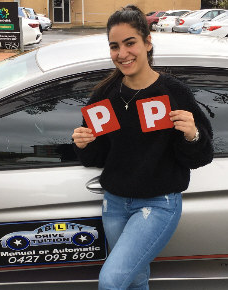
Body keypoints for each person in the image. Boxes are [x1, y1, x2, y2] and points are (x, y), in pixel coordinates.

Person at [72, 5, 213, 290]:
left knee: (112, 281)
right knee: (134, 279)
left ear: (148, 43)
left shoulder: (174, 93)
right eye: (114, 46)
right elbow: (98, 156)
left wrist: (192, 136)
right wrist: (83, 144)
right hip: (115, 203)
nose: (122, 53)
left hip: (158, 204)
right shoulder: (105, 95)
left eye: (130, 43)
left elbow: (202, 156)